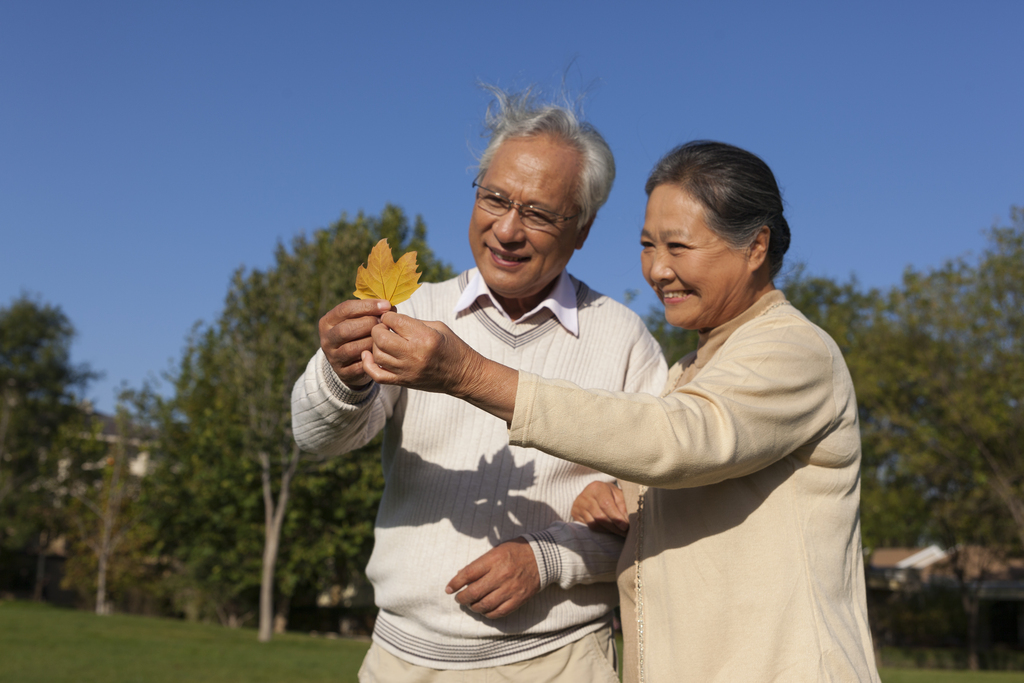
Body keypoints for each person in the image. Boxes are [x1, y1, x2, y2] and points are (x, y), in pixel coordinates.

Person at [357, 141, 882, 682]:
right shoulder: (690, 372)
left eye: (678, 247)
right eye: (647, 245)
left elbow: (678, 439)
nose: (657, 270)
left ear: (755, 247)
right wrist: (625, 506)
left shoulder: (793, 350)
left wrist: (470, 374)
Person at [290, 88, 667, 682]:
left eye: (539, 213)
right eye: (495, 198)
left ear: (583, 230)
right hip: (400, 662)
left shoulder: (623, 340)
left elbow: (660, 521)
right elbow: (317, 437)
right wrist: (339, 375)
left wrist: (548, 559)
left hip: (558, 664)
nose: (508, 230)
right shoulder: (413, 310)